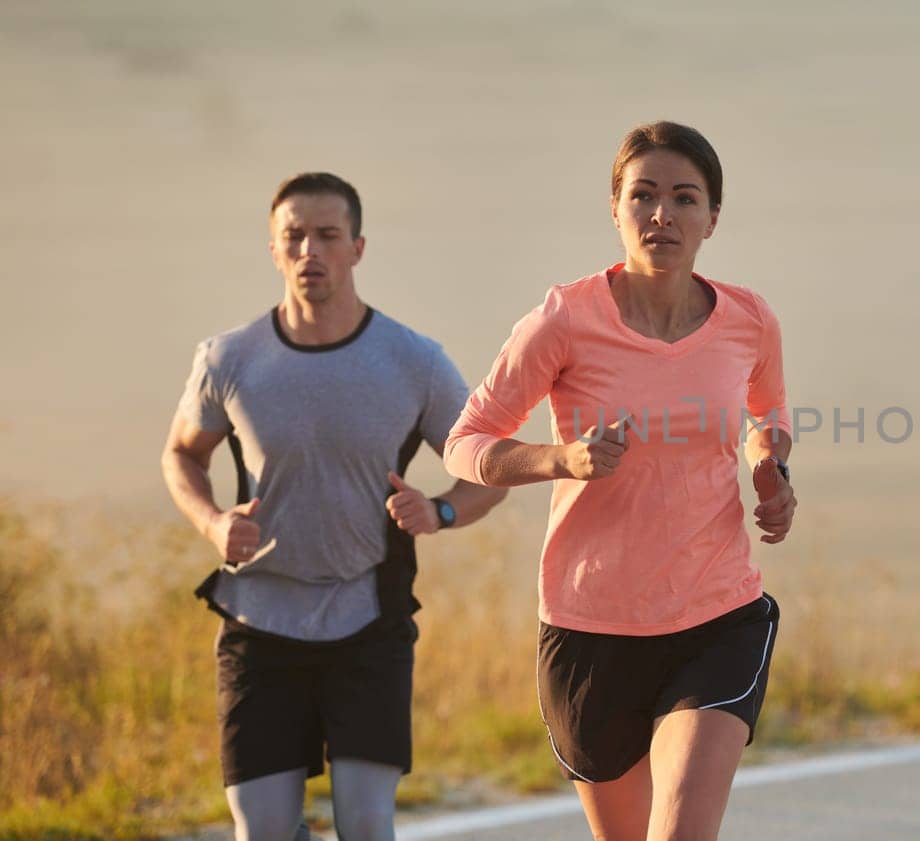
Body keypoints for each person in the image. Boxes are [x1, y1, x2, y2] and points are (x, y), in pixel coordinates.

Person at [444, 120, 796, 841]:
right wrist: (559, 459)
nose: (662, 214)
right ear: (616, 208)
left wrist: (770, 465)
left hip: (715, 612)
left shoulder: (749, 319)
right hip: (589, 627)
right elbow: (464, 443)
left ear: (712, 218)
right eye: (643, 195)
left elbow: (769, 412)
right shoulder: (564, 320)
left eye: (683, 198)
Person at [160, 172, 508, 841]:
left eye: (327, 235)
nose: (309, 251)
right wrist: (211, 521)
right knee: (261, 831)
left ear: (357, 247)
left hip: (366, 620)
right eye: (294, 236)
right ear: (273, 249)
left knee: (367, 826)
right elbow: (181, 454)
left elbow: (488, 467)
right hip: (258, 620)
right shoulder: (230, 358)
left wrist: (439, 511)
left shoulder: (414, 361)